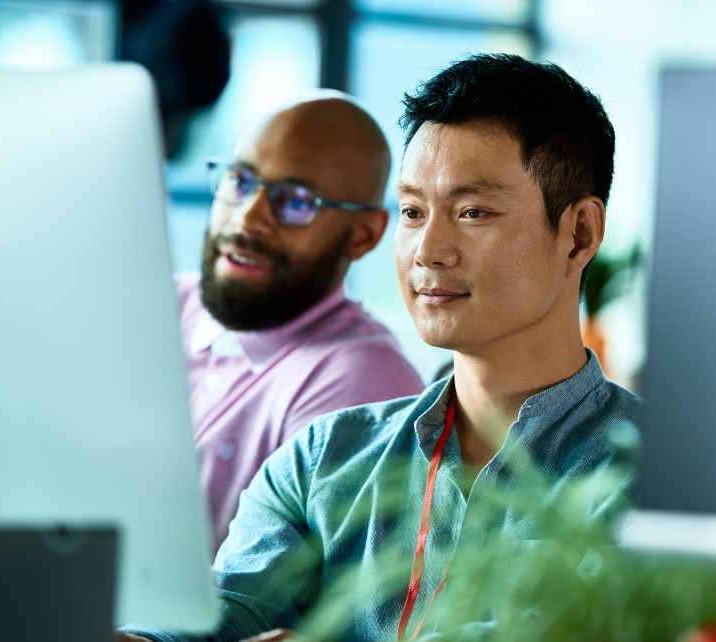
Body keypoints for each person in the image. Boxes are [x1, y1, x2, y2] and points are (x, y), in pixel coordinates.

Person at [120, 54, 641, 642]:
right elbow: (217, 613)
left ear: (579, 235)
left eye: (473, 212)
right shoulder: (322, 456)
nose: (429, 249)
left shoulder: (655, 478)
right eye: (414, 211)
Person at [178, 94, 425, 549]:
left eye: (295, 201)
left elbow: (266, 601)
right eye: (240, 180)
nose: (248, 217)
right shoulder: (165, 302)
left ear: (364, 234)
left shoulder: (360, 381)